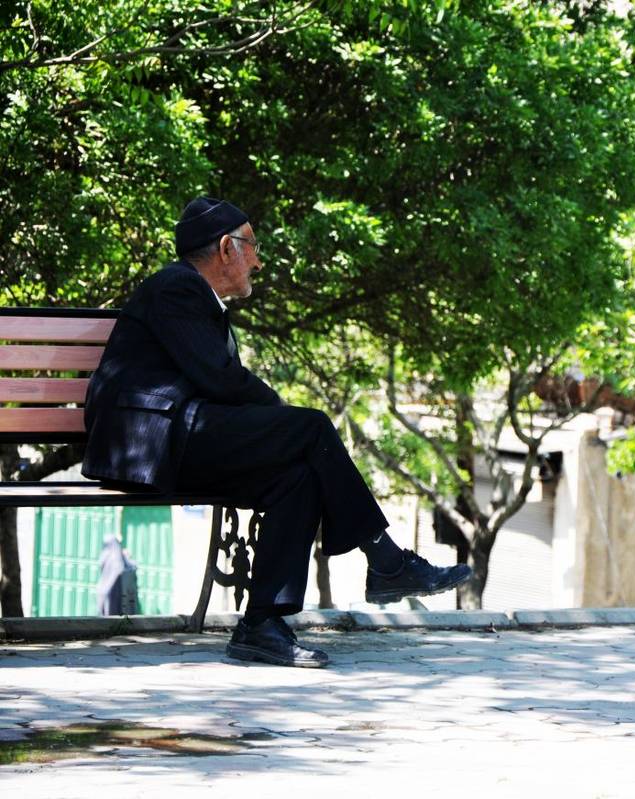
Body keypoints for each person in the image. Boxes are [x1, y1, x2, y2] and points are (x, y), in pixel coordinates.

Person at [82, 196, 472, 668]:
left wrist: (279, 427)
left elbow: (214, 386)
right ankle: (387, 561)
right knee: (309, 428)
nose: (259, 261)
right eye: (252, 247)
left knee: (297, 476)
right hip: (146, 443)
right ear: (227, 248)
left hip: (177, 436)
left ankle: (261, 624)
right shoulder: (176, 287)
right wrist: (281, 414)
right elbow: (219, 379)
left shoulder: (194, 297)